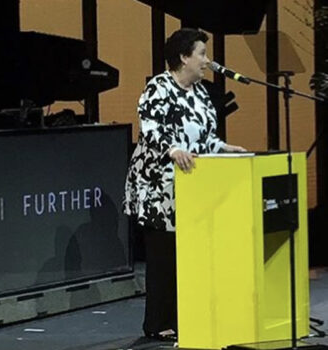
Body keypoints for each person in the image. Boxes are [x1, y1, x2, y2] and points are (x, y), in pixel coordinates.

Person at [123, 28, 245, 341]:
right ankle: (156, 323)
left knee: (188, 256)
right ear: (183, 57)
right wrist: (172, 149)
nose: (206, 61)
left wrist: (222, 147)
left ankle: (185, 315)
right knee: (163, 256)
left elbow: (205, 135)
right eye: (201, 54)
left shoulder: (200, 91)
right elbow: (150, 127)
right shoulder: (158, 88)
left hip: (191, 185)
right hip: (159, 187)